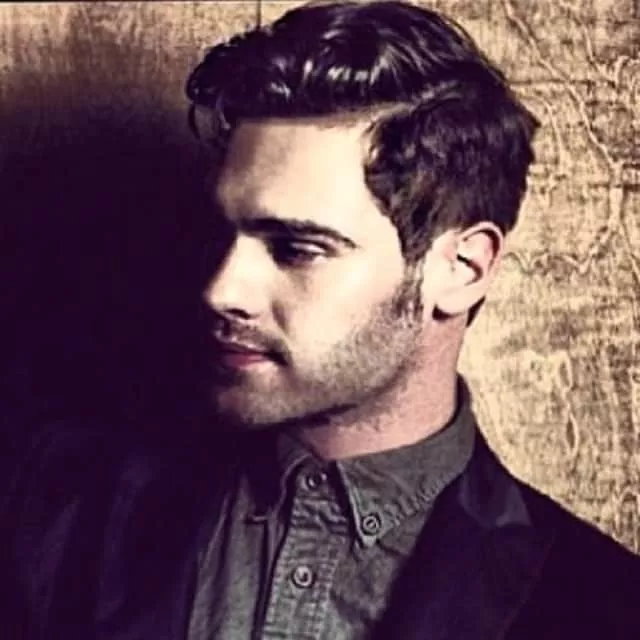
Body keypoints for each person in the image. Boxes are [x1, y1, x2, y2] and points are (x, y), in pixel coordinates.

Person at [2, 1, 639, 638]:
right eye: (223, 233)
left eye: (296, 248)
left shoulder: (602, 607)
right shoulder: (52, 510)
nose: (222, 289)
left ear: (462, 269)